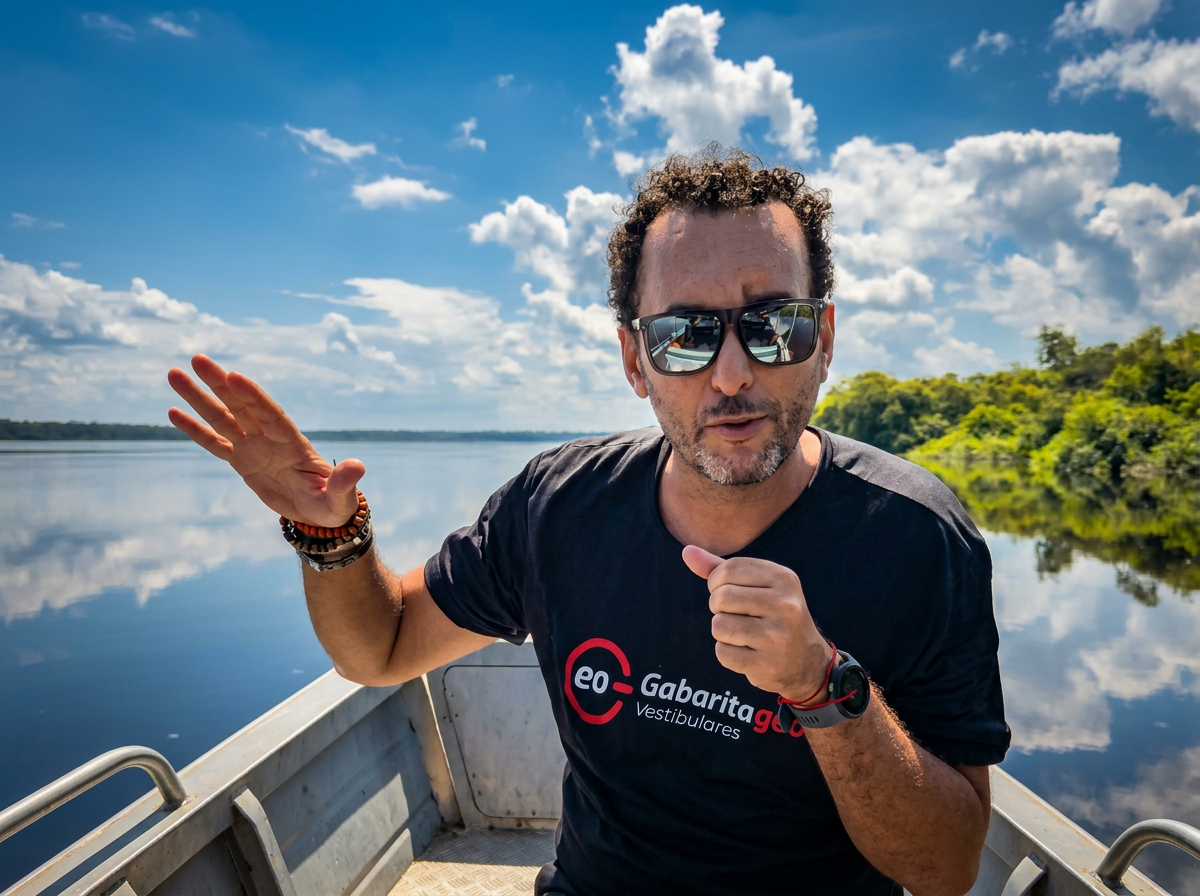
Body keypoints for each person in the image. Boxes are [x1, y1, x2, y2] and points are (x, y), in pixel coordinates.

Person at [167, 146, 1009, 896]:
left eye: (772, 327)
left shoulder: (919, 540)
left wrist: (823, 687)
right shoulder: (559, 507)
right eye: (684, 336)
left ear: (823, 339)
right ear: (634, 361)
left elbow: (944, 869)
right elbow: (380, 649)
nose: (730, 374)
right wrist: (330, 534)